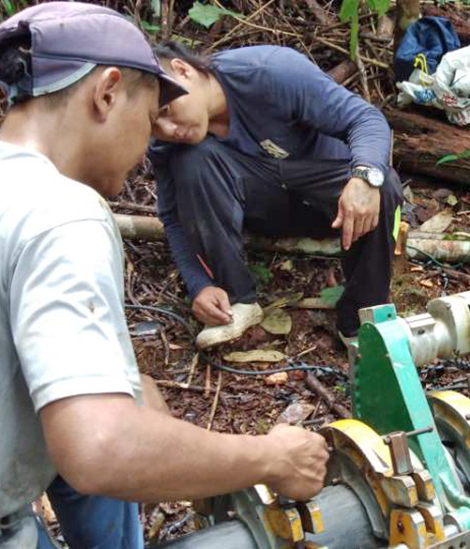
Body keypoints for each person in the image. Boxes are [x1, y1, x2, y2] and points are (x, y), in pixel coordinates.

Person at [0, 4, 329, 548]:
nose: (157, 138)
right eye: (150, 115)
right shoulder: (63, 214)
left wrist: (126, 389)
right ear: (107, 93)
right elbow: (101, 445)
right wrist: (270, 458)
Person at [148, 42, 404, 350]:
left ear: (183, 70)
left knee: (383, 184)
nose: (169, 128)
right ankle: (238, 299)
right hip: (263, 211)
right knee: (191, 159)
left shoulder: (268, 73)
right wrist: (199, 284)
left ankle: (363, 319)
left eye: (166, 110)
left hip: (335, 208)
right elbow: (173, 217)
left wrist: (364, 176)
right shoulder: (169, 144)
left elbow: (365, 119)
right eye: (154, 124)